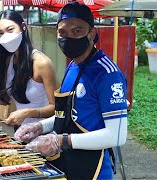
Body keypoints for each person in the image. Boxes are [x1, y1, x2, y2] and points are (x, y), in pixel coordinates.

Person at [14, 2, 128, 180]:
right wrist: (39, 126)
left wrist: (60, 141)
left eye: (77, 31)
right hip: (66, 164)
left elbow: (117, 135)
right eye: (63, 32)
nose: (69, 38)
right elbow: (67, 115)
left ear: (91, 33)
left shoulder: (107, 74)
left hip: (93, 170)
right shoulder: (72, 66)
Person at [0, 10, 57, 128]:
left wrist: (27, 113)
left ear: (23, 27)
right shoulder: (9, 61)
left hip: (43, 133)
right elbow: (6, 100)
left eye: (10, 29)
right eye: (0, 33)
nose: (6, 36)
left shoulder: (42, 63)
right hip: (21, 132)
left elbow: (56, 108)